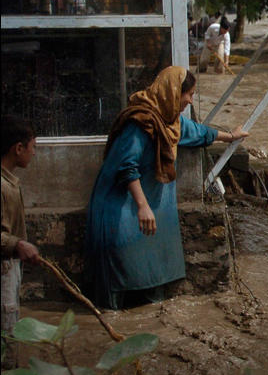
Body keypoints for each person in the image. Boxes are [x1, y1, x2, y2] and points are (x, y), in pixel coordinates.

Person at [84, 66, 248, 310]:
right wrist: (142, 206)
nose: (190, 101)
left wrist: (230, 136)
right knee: (114, 287)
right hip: (119, 211)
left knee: (151, 285)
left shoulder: (169, 120)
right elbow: (126, 166)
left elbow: (198, 131)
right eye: (189, 95)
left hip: (142, 213)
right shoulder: (139, 123)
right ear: (173, 92)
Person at [2, 116, 41, 369]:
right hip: (3, 269)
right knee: (6, 328)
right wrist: (18, 244)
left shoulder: (9, 182)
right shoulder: (2, 186)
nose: (34, 153)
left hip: (9, 267)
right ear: (18, 148)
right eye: (33, 147)